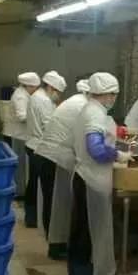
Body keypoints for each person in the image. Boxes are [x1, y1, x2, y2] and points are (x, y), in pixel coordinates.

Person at [69, 72, 131, 275]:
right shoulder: (95, 113)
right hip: (92, 181)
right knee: (89, 234)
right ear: (106, 94)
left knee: (80, 231)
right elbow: (95, 150)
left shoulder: (89, 109)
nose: (114, 98)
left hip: (83, 176)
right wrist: (118, 155)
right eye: (113, 94)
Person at [34, 79, 89, 260]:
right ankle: (56, 247)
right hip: (52, 157)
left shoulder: (75, 101)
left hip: (48, 155)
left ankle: (56, 243)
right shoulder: (82, 106)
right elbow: (88, 134)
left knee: (53, 202)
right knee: (55, 203)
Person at [24, 71, 67, 229]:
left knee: (33, 184)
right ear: (50, 87)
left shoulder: (38, 97)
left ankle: (31, 217)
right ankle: (38, 220)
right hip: (39, 147)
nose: (58, 95)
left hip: (33, 144)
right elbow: (50, 126)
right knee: (42, 188)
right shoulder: (43, 100)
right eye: (57, 92)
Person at [2, 72, 40, 146]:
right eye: (35, 87)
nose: (35, 90)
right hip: (14, 136)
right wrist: (37, 118)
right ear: (28, 86)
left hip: (19, 135)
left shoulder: (25, 94)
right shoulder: (20, 97)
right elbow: (22, 117)